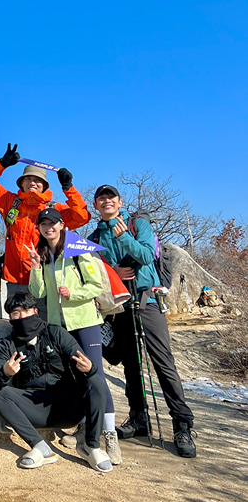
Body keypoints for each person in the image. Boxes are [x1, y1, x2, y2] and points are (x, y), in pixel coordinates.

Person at [89, 185, 196, 458]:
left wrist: (124, 236)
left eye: (110, 197)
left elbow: (147, 255)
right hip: (121, 306)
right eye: (101, 199)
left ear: (119, 201)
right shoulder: (95, 236)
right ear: (96, 206)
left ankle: (182, 424)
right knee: (131, 365)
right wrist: (113, 270)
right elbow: (95, 269)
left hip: (147, 302)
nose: (106, 201)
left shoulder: (138, 225)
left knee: (163, 363)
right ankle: (139, 418)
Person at [28, 208, 121, 465]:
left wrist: (73, 292)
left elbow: (96, 286)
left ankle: (110, 434)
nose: (49, 228)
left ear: (61, 225)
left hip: (86, 322)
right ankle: (85, 426)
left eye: (53, 223)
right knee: (77, 376)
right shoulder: (44, 255)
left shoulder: (78, 248)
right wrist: (36, 267)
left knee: (96, 375)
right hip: (60, 326)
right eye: (44, 224)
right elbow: (39, 292)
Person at [0, 291, 113, 473]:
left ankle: (91, 447)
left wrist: (89, 368)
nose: (22, 317)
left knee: (96, 381)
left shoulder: (56, 333)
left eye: (26, 311)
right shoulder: (8, 345)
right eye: (16, 314)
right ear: (10, 318)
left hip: (66, 405)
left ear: (36, 311)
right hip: (33, 408)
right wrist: (4, 372)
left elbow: (81, 359)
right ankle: (40, 447)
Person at [0, 143, 90, 300]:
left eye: (37, 180)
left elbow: (81, 217)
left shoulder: (54, 210)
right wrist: (1, 164)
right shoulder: (9, 202)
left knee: (44, 323)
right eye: (28, 179)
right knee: (18, 323)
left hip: (44, 280)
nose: (32, 182)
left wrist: (68, 188)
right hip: (13, 281)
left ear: (44, 186)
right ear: (21, 183)